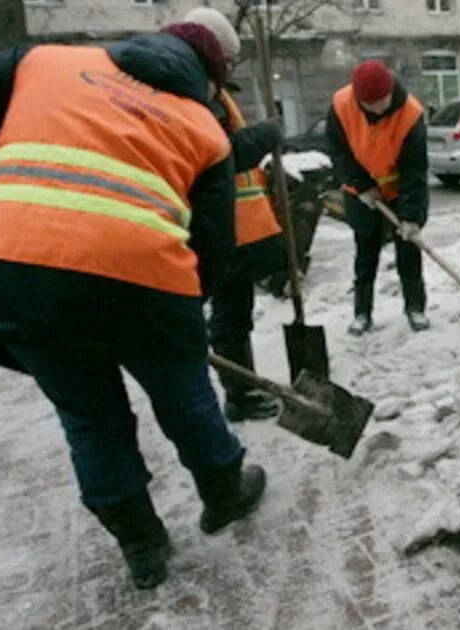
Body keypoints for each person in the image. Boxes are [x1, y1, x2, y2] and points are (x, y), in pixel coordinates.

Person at [0, 22, 267, 590]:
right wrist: (183, 324)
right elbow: (213, 246)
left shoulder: (46, 63)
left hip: (9, 265)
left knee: (89, 416)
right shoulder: (205, 129)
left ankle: (141, 545)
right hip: (142, 280)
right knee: (184, 394)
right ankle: (224, 496)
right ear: (213, 76)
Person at [183, 7, 287, 422]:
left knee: (233, 316)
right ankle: (238, 396)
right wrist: (265, 135)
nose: (228, 68)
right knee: (226, 321)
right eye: (225, 60)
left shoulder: (211, 92)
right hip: (215, 229)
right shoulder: (194, 97)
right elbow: (221, 158)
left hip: (235, 230)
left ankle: (240, 390)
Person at [326, 60, 430, 335]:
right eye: (368, 104)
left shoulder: (410, 114)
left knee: (409, 252)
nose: (376, 108)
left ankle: (415, 308)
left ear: (390, 91)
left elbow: (415, 170)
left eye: (381, 101)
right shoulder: (341, 105)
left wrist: (411, 217)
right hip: (361, 194)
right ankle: (362, 312)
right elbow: (338, 153)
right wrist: (361, 186)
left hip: (400, 193)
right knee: (365, 253)